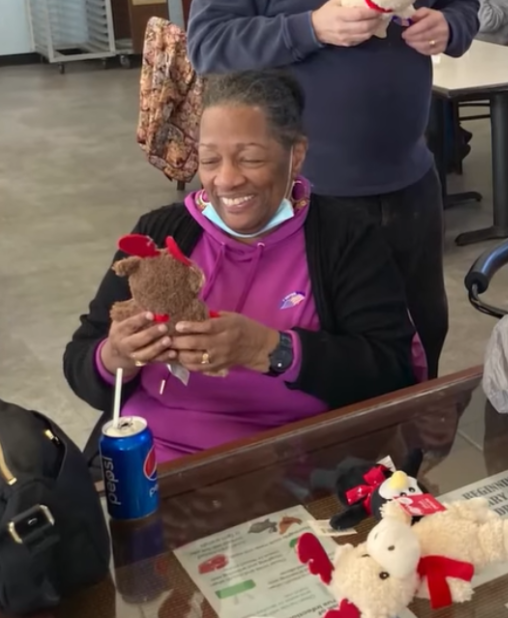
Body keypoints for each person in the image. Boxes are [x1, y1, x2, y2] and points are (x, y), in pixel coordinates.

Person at [186, 0, 480, 379]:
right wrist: (308, 30)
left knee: (424, 327)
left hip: (409, 180)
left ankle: (411, 462)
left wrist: (448, 28)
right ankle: (346, 471)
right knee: (333, 350)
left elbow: (461, 3)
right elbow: (208, 44)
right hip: (308, 197)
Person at [64, 70, 420, 464]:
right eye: (209, 160)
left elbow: (394, 372)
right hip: (148, 463)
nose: (226, 179)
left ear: (295, 156)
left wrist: (269, 349)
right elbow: (81, 359)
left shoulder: (344, 238)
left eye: (250, 158)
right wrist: (115, 356)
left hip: (293, 468)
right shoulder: (159, 234)